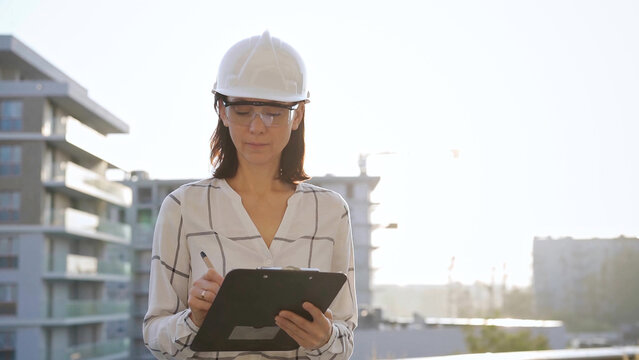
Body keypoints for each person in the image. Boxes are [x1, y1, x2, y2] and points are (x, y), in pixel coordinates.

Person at [143, 31, 357, 360]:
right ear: (222, 111)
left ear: (297, 114)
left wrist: (325, 337)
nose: (257, 127)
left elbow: (344, 342)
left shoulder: (330, 212)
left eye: (273, 112)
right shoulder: (183, 207)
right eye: (243, 111)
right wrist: (194, 319)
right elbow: (155, 336)